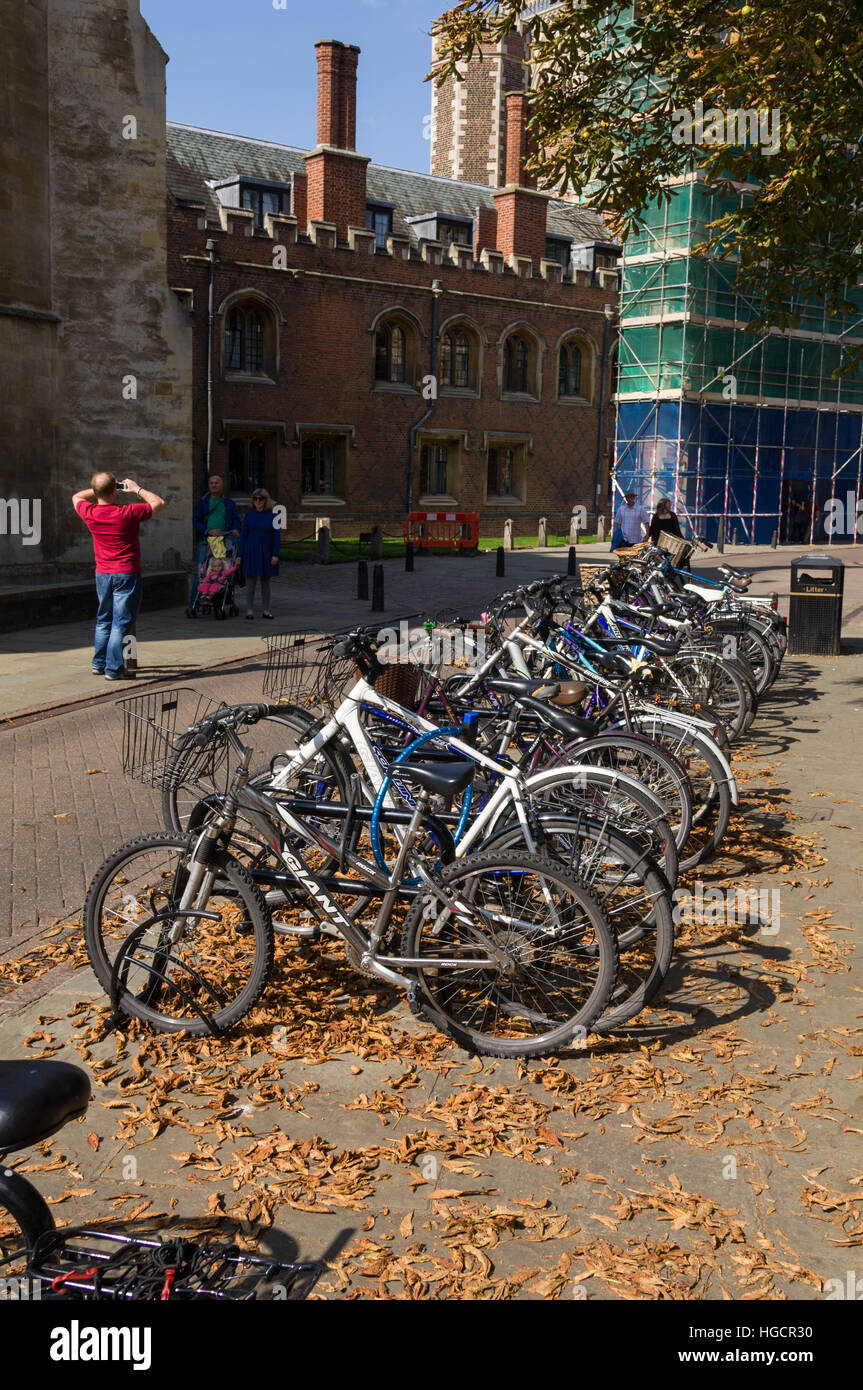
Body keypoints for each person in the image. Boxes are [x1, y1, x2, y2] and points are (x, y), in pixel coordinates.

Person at [72, 472, 165, 681]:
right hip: (126, 572)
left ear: (96, 492)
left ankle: (99, 663)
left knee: (103, 619)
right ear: (115, 491)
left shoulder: (89, 511)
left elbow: (76, 497)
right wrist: (134, 488)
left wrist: (101, 489)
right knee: (121, 622)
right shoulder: (127, 513)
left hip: (103, 573)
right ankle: (113, 669)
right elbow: (158, 502)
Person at [189, 474, 241, 613]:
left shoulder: (229, 503)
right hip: (206, 542)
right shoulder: (203, 501)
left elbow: (236, 519)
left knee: (222, 572)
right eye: (211, 483)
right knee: (201, 573)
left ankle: (219, 599)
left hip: (224, 542)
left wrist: (235, 529)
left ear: (222, 485)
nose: (214, 485)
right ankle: (194, 604)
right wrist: (208, 530)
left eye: (217, 483)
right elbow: (196, 521)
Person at [239, 487, 280, 619]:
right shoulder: (249, 515)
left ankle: (266, 610)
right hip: (251, 552)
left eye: (260, 498)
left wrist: (275, 554)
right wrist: (240, 555)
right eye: (255, 498)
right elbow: (243, 536)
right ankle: (249, 610)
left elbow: (276, 537)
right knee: (250, 583)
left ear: (266, 500)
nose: (257, 501)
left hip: (266, 552)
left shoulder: (274, 516)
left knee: (265, 583)